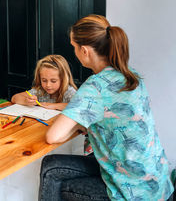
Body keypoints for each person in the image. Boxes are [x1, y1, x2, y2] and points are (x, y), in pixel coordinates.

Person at [40, 15, 174, 200]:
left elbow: (52, 136)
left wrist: (78, 124)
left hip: (133, 193)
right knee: (52, 166)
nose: (75, 53)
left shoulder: (95, 86)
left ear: (85, 51)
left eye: (74, 47)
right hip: (159, 183)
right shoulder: (131, 75)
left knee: (51, 170)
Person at [11, 54, 77, 111]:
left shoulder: (69, 92)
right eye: (44, 80)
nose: (48, 85)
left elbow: (80, 106)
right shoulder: (40, 90)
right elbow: (14, 98)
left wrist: (55, 106)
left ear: (63, 79)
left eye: (53, 81)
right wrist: (26, 101)